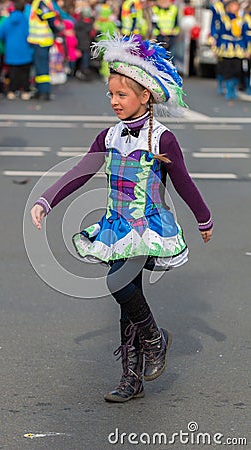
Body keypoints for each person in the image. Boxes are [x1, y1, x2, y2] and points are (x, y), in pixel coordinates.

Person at [31, 34, 213, 403]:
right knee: (128, 297)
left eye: (121, 95)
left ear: (144, 96)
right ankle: (131, 377)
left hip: (148, 227)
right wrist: (46, 200)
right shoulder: (109, 136)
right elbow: (81, 171)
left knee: (118, 284)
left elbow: (183, 182)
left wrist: (203, 218)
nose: (114, 102)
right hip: (116, 226)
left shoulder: (162, 139)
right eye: (110, 95)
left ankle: (154, 338)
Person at [210, 0, 246, 101]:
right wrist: (214, 41)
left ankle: (234, 89)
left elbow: (244, 33)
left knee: (237, 69)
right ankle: (228, 89)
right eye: (232, 6)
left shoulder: (241, 19)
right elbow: (217, 29)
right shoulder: (223, 18)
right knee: (226, 68)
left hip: (238, 48)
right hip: (225, 47)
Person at [0, 0, 33, 100]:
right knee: (25, 73)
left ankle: (11, 91)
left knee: (13, 72)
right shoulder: (26, 20)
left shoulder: (8, 20)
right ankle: (25, 91)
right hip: (25, 49)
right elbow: (29, 34)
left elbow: (0, 33)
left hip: (11, 50)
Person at [27, 0, 61, 100]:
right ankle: (39, 90)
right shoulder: (38, 3)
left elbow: (48, 17)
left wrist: (55, 30)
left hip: (42, 41)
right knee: (39, 68)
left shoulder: (41, 3)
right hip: (38, 41)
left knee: (42, 68)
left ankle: (44, 92)